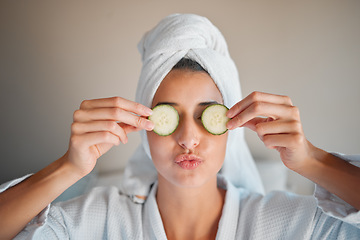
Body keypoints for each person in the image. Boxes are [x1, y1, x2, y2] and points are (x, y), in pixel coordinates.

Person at [0, 13, 359, 240]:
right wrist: (68, 167)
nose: (188, 138)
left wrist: (313, 161)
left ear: (232, 123)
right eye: (167, 116)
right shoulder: (96, 221)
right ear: (144, 124)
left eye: (208, 115)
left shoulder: (292, 224)